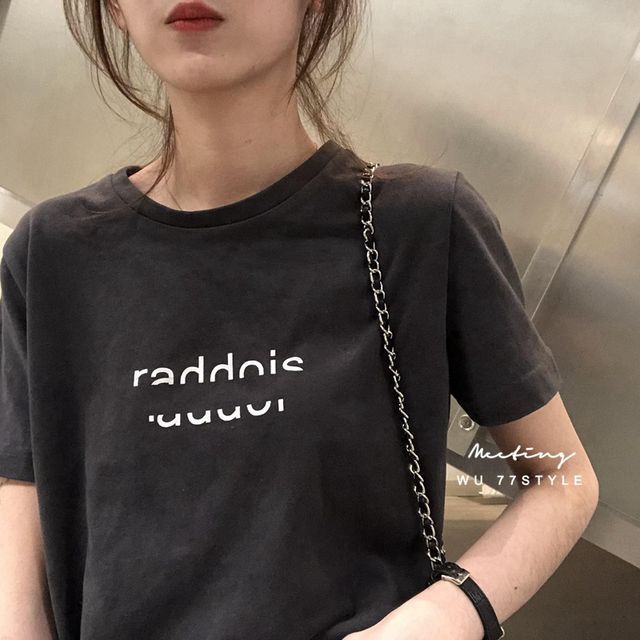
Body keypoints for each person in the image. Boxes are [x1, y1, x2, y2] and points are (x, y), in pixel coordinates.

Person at [0, 1, 599, 639]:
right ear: (115, 9)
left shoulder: (416, 225)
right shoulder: (52, 254)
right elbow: (24, 499)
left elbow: (561, 476)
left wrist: (439, 619)